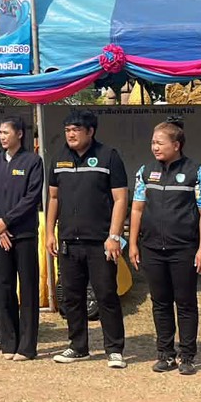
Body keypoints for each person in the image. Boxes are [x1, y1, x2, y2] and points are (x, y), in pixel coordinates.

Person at [128, 121, 201, 375]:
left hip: (184, 248)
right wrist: (132, 243)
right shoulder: (145, 171)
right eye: (153, 142)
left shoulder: (197, 172)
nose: (155, 147)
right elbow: (137, 208)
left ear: (176, 145)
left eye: (160, 143)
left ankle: (187, 356)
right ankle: (165, 353)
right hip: (152, 248)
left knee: (185, 303)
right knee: (160, 302)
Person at [47, 110, 129, 368]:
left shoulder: (108, 156)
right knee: (72, 296)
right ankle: (78, 346)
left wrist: (114, 236)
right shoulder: (58, 157)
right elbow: (53, 198)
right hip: (68, 241)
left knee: (106, 294)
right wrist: (49, 232)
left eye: (76, 129)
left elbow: (120, 199)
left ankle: (114, 349)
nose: (71, 134)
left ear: (90, 131)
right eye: (67, 130)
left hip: (100, 241)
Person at [0, 116, 45, 362]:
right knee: (5, 287)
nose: (1, 137)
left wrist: (7, 221)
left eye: (5, 132)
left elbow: (32, 197)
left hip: (24, 234)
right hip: (1, 236)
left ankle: (27, 347)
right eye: (0, 132)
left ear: (19, 134)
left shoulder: (32, 161)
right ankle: (9, 342)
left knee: (28, 288)